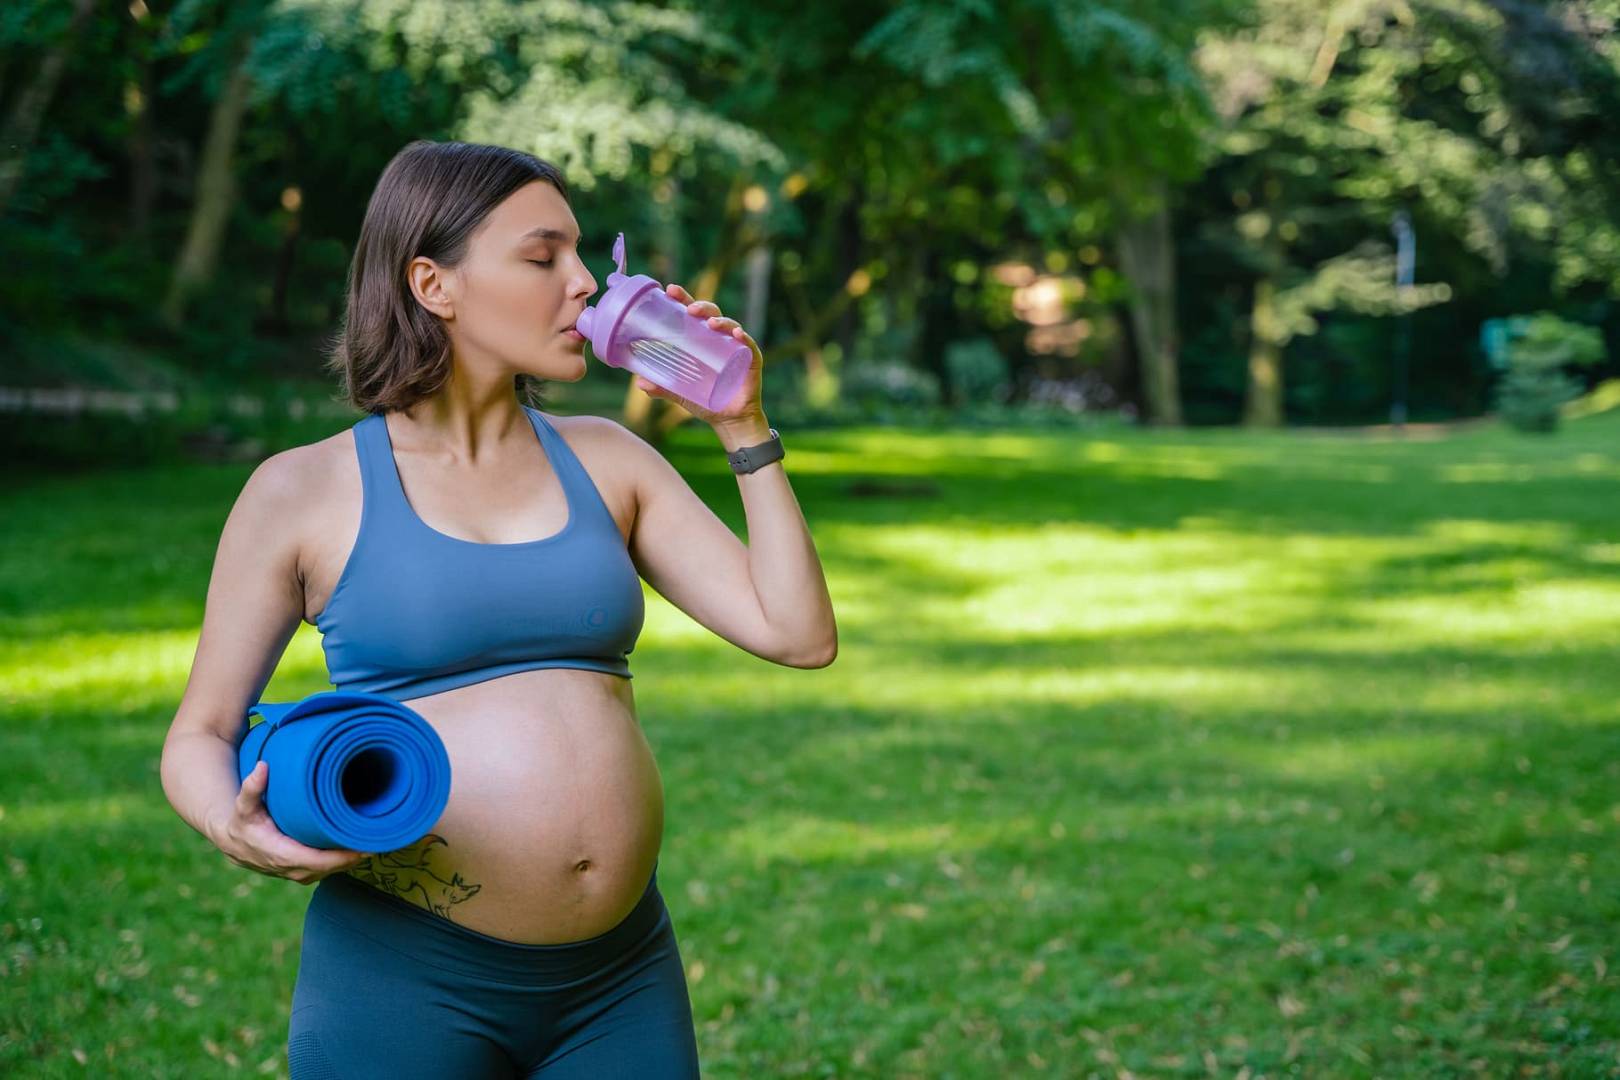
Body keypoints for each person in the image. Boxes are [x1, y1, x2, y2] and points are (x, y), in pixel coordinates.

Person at [158, 139, 838, 1078]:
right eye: (543, 255)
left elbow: (799, 636)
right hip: (407, 974)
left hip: (621, 976)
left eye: (582, 255)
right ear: (434, 283)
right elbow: (200, 732)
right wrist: (227, 823)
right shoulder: (301, 493)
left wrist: (743, 427)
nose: (586, 284)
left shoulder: (610, 460)